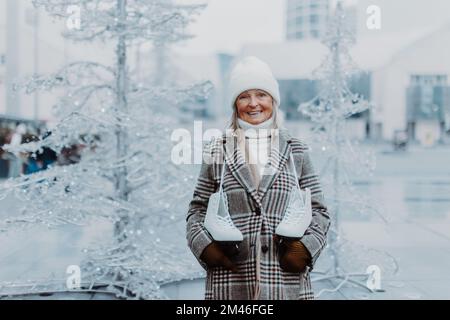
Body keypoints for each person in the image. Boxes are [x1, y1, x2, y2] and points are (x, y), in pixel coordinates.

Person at [186, 56, 330, 300]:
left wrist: (306, 248)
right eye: (244, 96)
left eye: (261, 94)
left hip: (285, 284)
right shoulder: (217, 150)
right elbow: (197, 210)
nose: (253, 103)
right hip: (230, 282)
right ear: (235, 104)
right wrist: (206, 248)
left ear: (273, 100)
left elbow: (320, 211)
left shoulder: (296, 150)